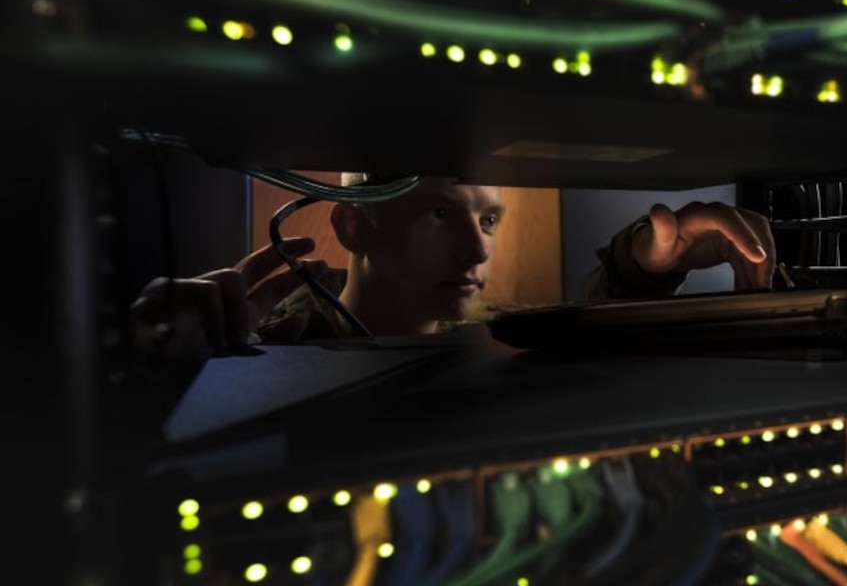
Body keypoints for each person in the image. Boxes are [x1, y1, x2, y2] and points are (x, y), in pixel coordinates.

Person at [131, 176, 776, 358]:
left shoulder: (499, 336)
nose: (476, 252)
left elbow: (581, 335)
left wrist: (646, 265)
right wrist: (159, 358)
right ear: (354, 225)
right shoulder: (263, 347)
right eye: (440, 214)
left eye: (489, 220)